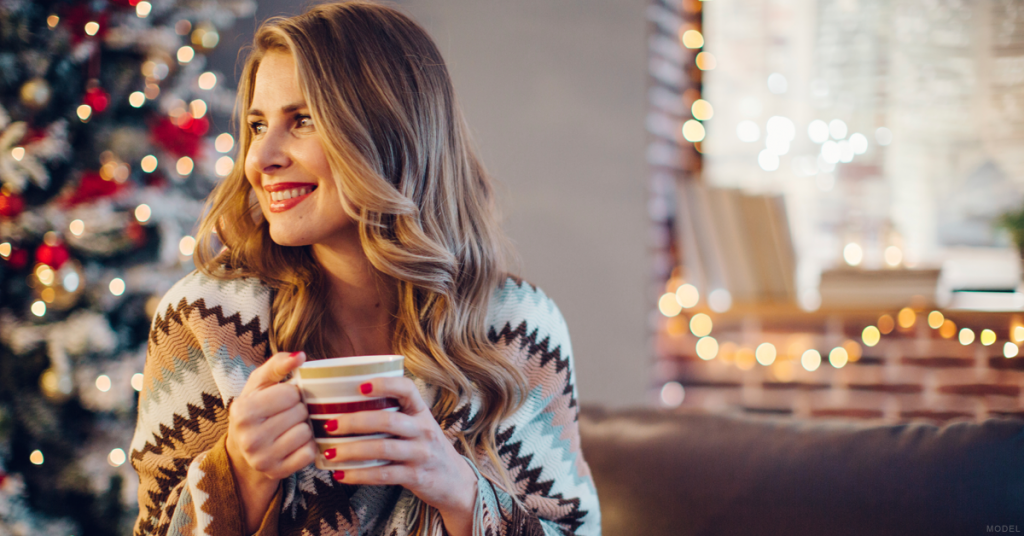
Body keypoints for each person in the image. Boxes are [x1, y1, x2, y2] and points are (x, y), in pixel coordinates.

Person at [129, 2, 601, 535]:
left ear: (389, 130)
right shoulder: (207, 321)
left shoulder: (519, 331)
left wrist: (458, 490)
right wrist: (237, 476)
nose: (260, 159)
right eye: (258, 125)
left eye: (302, 120)